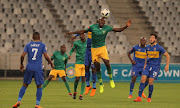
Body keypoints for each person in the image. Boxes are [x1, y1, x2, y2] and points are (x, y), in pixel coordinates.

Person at [65, 17, 131, 93]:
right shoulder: (92, 28)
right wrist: (72, 34)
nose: (102, 22)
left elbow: (118, 30)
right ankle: (99, 84)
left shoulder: (106, 28)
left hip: (102, 48)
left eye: (104, 21)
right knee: (95, 66)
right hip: (93, 50)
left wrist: (126, 26)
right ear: (98, 21)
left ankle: (110, 79)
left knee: (106, 62)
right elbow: (82, 31)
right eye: (101, 20)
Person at [13, 32, 54, 108]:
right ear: (39, 37)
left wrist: (21, 64)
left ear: (32, 37)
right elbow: (46, 56)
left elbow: (22, 56)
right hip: (38, 68)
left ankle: (18, 101)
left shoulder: (28, 45)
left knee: (25, 85)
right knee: (39, 86)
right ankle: (37, 104)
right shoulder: (42, 45)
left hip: (29, 67)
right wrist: (51, 63)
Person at [134, 34, 170, 102]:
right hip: (147, 66)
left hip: (155, 67)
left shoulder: (159, 47)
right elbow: (146, 57)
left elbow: (167, 55)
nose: (151, 39)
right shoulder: (147, 47)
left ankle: (149, 98)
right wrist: (145, 65)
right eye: (150, 37)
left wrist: (167, 65)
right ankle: (139, 97)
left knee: (150, 81)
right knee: (143, 79)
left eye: (153, 38)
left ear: (155, 40)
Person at [71, 32, 97, 96]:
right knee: (86, 70)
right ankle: (88, 86)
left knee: (93, 69)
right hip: (84, 59)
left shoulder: (91, 39)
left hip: (92, 55)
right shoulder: (85, 38)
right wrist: (75, 35)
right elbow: (83, 31)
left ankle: (94, 87)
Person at [69, 33, 87, 100]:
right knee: (77, 79)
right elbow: (72, 49)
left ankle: (81, 95)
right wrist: (70, 55)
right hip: (78, 63)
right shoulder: (76, 43)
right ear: (79, 36)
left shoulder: (88, 42)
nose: (82, 36)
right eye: (80, 35)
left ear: (85, 36)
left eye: (83, 35)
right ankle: (75, 91)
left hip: (85, 63)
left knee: (83, 79)